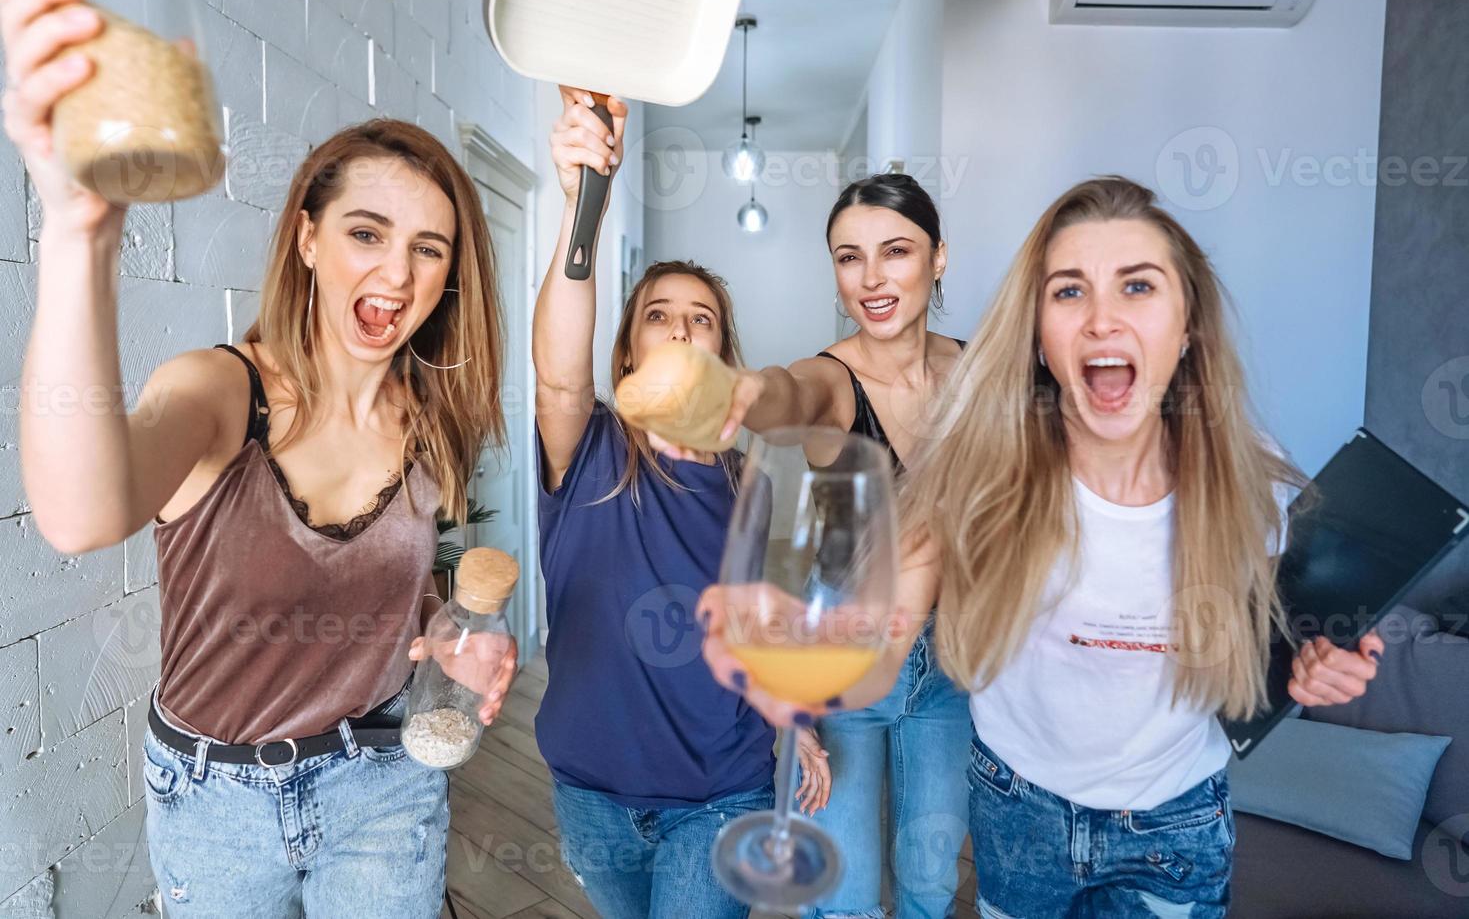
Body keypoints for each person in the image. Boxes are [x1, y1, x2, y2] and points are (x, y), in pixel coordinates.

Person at [701, 176, 1383, 918]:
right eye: (1067, 292)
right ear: (1036, 332)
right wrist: (797, 670)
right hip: (1016, 812)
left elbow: (1275, 633)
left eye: (1136, 286)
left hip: (1173, 824)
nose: (1100, 320)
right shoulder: (978, 463)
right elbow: (886, 636)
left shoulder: (1250, 477)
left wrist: (1312, 661)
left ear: (1187, 323)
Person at [4, 0, 516, 914]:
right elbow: (78, 515)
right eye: (367, 233)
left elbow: (388, 607)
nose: (397, 276)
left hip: (385, 786)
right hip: (215, 805)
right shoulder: (219, 394)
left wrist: (451, 638)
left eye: (427, 250)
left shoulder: (430, 423)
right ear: (308, 240)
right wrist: (79, 234)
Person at [532, 87, 830, 919]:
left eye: (698, 319)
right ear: (628, 346)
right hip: (588, 788)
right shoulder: (585, 448)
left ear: (723, 353)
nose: (676, 329)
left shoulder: (752, 486)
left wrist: (798, 721)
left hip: (721, 791)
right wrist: (581, 206)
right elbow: (558, 370)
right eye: (656, 315)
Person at [672, 174, 973, 918]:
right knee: (841, 896)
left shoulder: (978, 374)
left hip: (957, 661)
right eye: (848, 257)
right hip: (848, 646)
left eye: (895, 251)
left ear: (938, 258)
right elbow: (788, 391)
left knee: (932, 882)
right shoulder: (833, 380)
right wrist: (746, 392)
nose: (870, 278)